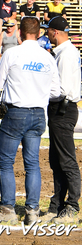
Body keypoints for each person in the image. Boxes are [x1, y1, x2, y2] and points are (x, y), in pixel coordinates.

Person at [0, 16, 60, 225]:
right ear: (39, 34)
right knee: (32, 163)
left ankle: (8, 209)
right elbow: (55, 91)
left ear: (19, 32)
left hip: (16, 113)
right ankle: (32, 211)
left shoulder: (12, 53)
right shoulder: (47, 57)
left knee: (5, 162)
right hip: (38, 113)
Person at [43, 16, 82, 224]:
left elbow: (63, 90)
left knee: (66, 160)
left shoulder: (65, 55)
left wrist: (40, 91)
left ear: (55, 32)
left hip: (62, 109)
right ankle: (57, 204)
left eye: (48, 30)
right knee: (57, 160)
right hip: (62, 109)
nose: (46, 34)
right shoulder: (66, 52)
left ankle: (71, 206)